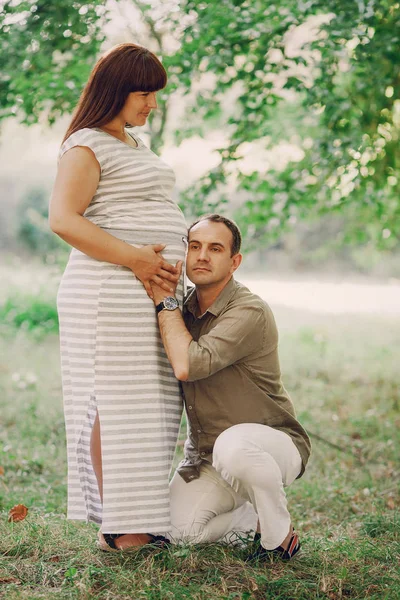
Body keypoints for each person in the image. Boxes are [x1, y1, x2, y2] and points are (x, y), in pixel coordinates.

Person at [49, 43, 187, 552]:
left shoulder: (130, 142)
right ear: (116, 90)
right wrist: (136, 258)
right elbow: (64, 219)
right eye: (144, 94)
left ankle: (138, 520)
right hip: (110, 290)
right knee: (120, 404)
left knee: (151, 405)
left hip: (144, 287)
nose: (152, 104)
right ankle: (120, 528)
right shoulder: (86, 144)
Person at [150, 214, 311, 560]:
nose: (202, 256)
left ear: (234, 261)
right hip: (207, 457)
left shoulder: (248, 310)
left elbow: (188, 365)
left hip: (272, 445)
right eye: (194, 246)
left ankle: (278, 538)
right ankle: (250, 518)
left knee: (234, 446)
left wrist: (165, 303)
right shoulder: (186, 310)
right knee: (178, 533)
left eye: (215, 248)